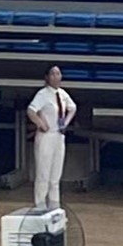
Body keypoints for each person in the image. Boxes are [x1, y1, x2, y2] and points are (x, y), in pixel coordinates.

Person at [27, 65, 77, 210]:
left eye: (58, 73)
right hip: (46, 136)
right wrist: (41, 124)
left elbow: (72, 108)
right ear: (47, 77)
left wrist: (65, 123)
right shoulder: (43, 94)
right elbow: (31, 110)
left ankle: (54, 205)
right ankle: (40, 205)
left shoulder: (62, 94)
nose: (56, 77)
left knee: (55, 176)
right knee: (43, 174)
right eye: (53, 74)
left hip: (58, 136)